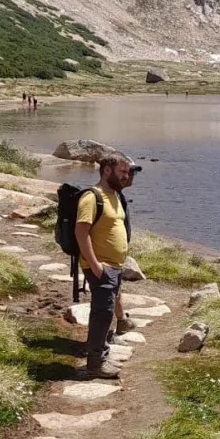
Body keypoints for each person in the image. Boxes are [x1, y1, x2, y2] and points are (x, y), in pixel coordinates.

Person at [75, 154, 130, 379]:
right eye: (122, 172)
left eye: (127, 173)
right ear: (107, 171)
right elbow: (81, 232)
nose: (126, 177)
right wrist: (96, 266)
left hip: (113, 266)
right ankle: (95, 365)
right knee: (102, 314)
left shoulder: (114, 195)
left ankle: (101, 356)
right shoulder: (91, 197)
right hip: (101, 267)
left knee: (105, 314)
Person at [112, 162, 141, 336]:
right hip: (107, 256)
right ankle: (118, 324)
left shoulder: (118, 194)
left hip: (115, 253)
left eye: (132, 173)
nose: (130, 176)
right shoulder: (111, 195)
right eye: (127, 172)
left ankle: (121, 319)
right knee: (111, 290)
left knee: (116, 287)